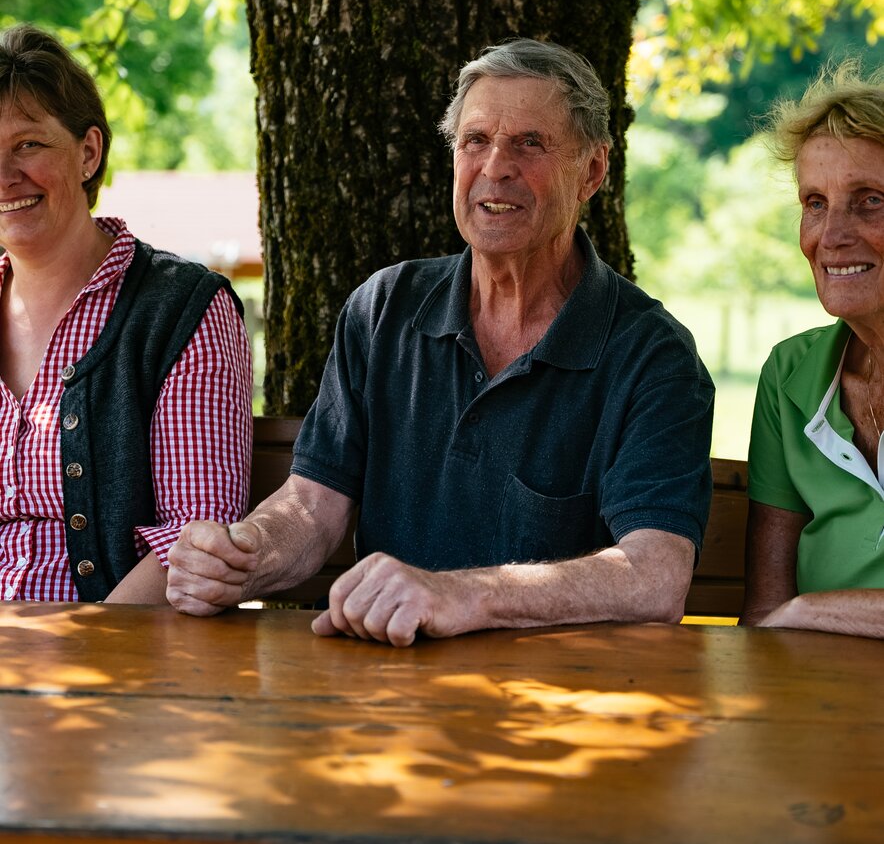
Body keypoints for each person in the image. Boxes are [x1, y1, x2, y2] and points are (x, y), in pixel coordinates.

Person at [167, 38, 714, 643]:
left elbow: (655, 577)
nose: (495, 165)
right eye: (475, 141)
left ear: (592, 170)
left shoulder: (652, 354)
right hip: (387, 680)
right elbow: (313, 509)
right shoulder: (384, 309)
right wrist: (242, 558)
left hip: (559, 705)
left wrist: (461, 594)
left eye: (530, 143)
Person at [0, 24, 252, 604]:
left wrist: (89, 660)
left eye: (29, 144)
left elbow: (196, 537)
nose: (7, 173)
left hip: (110, 660)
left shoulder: (180, 310)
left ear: (88, 152)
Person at [742, 62, 884, 638]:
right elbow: (761, 615)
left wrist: (810, 612)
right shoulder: (790, 377)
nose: (832, 236)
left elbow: (786, 615)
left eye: (870, 199)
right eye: (816, 202)